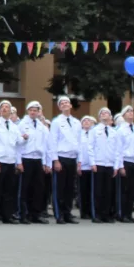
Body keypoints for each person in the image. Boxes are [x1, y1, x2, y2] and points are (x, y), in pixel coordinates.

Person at [48, 95, 80, 224]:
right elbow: (52, 142)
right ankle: (58, 213)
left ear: (71, 105)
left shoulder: (76, 123)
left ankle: (67, 212)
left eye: (67, 102)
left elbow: (79, 142)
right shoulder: (56, 122)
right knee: (59, 188)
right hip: (61, 157)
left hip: (73, 158)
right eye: (62, 103)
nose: (65, 104)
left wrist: (79, 161)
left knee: (70, 188)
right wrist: (55, 160)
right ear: (59, 107)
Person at [17, 100, 50, 225]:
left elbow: (46, 145)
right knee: (25, 188)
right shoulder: (22, 124)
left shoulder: (42, 127)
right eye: (31, 110)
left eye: (35, 110)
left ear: (39, 112)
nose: (33, 112)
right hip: (26, 158)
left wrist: (46, 163)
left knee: (38, 188)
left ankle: (35, 214)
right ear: (27, 111)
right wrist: (18, 162)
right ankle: (23, 214)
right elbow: (18, 145)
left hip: (38, 159)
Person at [0, 99, 21, 224]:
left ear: (11, 110)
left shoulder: (14, 126)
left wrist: (18, 162)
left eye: (7, 107)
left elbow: (18, 145)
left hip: (10, 160)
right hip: (0, 160)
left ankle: (7, 215)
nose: (4, 109)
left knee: (9, 190)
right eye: (2, 107)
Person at [90, 108, 118, 223]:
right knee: (98, 191)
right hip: (99, 163)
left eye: (106, 113)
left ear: (110, 116)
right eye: (101, 113)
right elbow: (90, 147)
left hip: (110, 164)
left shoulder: (113, 132)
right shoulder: (94, 130)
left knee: (108, 190)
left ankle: (106, 214)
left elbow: (117, 150)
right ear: (99, 117)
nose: (104, 114)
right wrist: (93, 162)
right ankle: (97, 214)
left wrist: (116, 166)